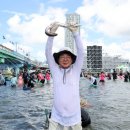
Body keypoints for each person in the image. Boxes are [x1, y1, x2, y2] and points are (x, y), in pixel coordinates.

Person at [45, 22, 84, 130]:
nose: (65, 59)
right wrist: (51, 35)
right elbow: (48, 52)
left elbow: (81, 52)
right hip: (56, 118)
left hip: (75, 118)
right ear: (58, 60)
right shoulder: (55, 70)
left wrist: (75, 33)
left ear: (72, 60)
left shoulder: (76, 70)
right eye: (62, 57)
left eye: (68, 57)